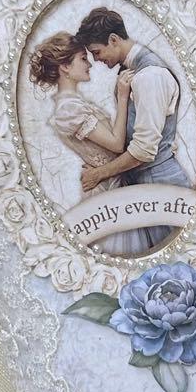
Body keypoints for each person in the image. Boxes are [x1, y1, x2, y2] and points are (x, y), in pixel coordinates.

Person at [73, 7, 192, 248]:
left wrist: (99, 173)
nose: (97, 60)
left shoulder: (150, 76)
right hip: (147, 186)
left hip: (161, 186)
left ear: (113, 40)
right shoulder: (131, 71)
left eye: (97, 52)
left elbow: (143, 150)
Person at [27, 32, 152, 256]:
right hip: (104, 191)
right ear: (65, 67)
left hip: (112, 184)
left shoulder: (74, 103)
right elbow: (116, 144)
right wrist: (123, 97)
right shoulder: (69, 109)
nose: (90, 65)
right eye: (83, 59)